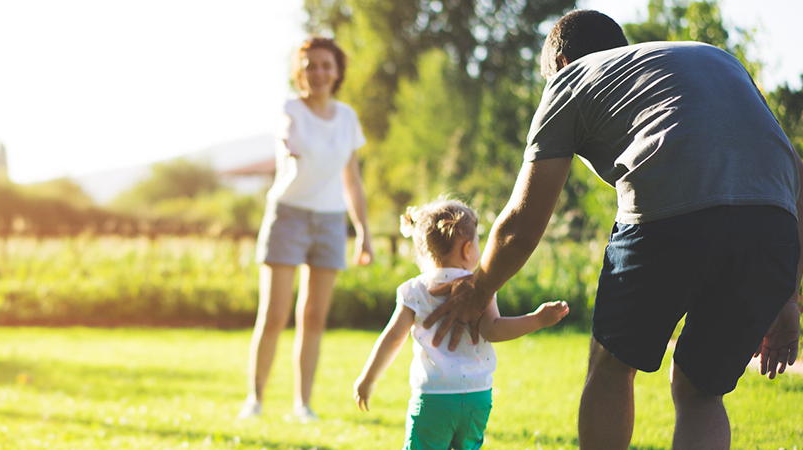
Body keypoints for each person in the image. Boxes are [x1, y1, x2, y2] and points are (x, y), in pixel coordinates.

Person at [418, 10, 803, 450]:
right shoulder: (716, 59)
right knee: (701, 390)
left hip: (670, 218)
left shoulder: (569, 81)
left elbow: (523, 222)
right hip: (772, 225)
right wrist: (788, 297)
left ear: (561, 62)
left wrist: (480, 289)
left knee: (610, 366)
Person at [353, 196, 569, 449]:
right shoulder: (481, 288)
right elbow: (493, 329)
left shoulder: (414, 290)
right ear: (467, 249)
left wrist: (368, 378)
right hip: (476, 395)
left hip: (433, 396)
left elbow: (393, 338)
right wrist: (536, 319)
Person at [238, 37, 374, 421]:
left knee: (314, 316)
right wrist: (289, 142)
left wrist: (363, 230)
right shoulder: (291, 109)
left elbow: (353, 181)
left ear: (337, 72)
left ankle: (303, 405)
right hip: (289, 216)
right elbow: (286, 133)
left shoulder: (347, 117)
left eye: (325, 65)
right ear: (300, 73)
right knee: (275, 314)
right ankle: (256, 399)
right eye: (310, 65)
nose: (318, 72)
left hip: (331, 222)